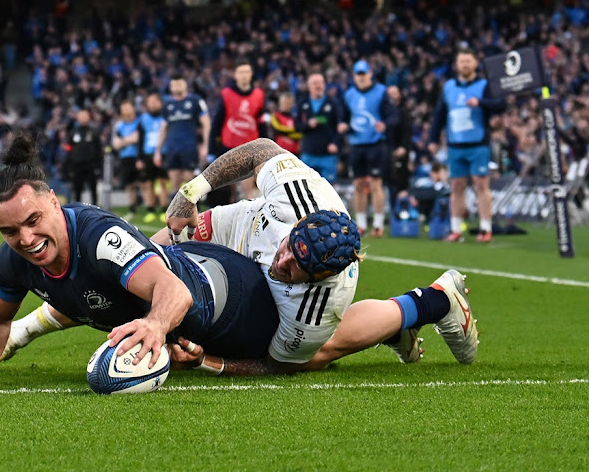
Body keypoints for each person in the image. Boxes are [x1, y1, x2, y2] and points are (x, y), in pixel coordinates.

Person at [0, 133, 280, 385]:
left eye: (33, 221)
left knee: (298, 355)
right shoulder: (13, 259)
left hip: (232, 304)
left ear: (52, 201)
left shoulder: (100, 238)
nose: (26, 239)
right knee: (91, 292)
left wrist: (155, 325)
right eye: (9, 231)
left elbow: (175, 292)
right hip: (187, 300)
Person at [161, 138, 478, 374]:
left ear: (319, 278)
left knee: (316, 354)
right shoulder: (295, 193)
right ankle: (409, 318)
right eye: (289, 250)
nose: (282, 263)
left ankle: (431, 302)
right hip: (248, 224)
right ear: (299, 222)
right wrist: (189, 194)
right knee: (152, 256)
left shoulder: (317, 302)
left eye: (298, 268)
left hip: (296, 310)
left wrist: (210, 363)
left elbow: (275, 364)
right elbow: (260, 150)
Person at [430, 47, 506, 243]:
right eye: (461, 61)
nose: (464, 64)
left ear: (475, 64)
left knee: (481, 185)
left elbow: (501, 104)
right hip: (455, 144)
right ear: (456, 65)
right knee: (456, 186)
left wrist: (480, 103)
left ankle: (485, 228)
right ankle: (456, 229)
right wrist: (432, 139)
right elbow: (439, 114)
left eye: (468, 61)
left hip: (478, 143)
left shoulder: (483, 85)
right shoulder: (448, 87)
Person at [338, 60, 399, 237]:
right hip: (357, 144)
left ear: (370, 74)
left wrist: (385, 124)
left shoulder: (381, 92)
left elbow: (394, 115)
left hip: (376, 143)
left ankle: (378, 224)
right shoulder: (349, 95)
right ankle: (361, 223)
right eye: (358, 74)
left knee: (375, 183)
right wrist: (343, 126)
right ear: (354, 76)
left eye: (364, 74)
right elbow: (344, 117)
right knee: (358, 183)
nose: (362, 77)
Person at [208, 60, 266, 204]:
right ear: (235, 75)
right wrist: (211, 149)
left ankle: (248, 220)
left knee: (248, 189)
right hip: (228, 147)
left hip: (251, 148)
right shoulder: (226, 94)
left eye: (247, 72)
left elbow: (262, 123)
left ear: (251, 74)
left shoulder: (259, 95)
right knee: (228, 190)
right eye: (241, 72)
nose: (244, 75)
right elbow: (216, 123)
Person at [154, 74, 210, 195]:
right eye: (173, 85)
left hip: (189, 147)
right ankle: (176, 211)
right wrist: (158, 150)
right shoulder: (167, 104)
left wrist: (205, 145)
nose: (176, 87)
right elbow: (163, 128)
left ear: (185, 84)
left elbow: (206, 123)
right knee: (174, 180)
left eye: (179, 84)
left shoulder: (195, 101)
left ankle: (191, 210)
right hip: (172, 148)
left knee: (189, 179)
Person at [294, 72, 343, 184]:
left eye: (321, 83)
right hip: (308, 153)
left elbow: (340, 127)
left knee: (329, 188)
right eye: (315, 83)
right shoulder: (302, 103)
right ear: (309, 86)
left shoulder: (333, 103)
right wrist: (307, 124)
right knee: (307, 187)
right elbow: (296, 126)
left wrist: (335, 143)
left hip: (328, 154)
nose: (318, 86)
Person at [137, 93, 168, 223]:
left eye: (155, 101)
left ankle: (163, 210)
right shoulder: (143, 119)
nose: (153, 104)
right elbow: (140, 139)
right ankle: (150, 210)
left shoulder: (165, 118)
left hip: (164, 153)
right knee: (149, 183)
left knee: (163, 183)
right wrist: (139, 158)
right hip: (147, 155)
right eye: (150, 102)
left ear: (160, 103)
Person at [65, 109, 103, 205]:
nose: (83, 118)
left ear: (89, 117)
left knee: (93, 188)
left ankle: (95, 207)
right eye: (81, 116)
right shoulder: (73, 132)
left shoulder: (94, 132)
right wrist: (69, 166)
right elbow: (68, 149)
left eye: (85, 116)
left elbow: (99, 150)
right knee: (77, 188)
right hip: (77, 165)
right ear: (77, 118)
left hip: (91, 165)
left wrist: (99, 166)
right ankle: (78, 208)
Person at [111, 100, 141, 220]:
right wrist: (130, 140)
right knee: (129, 185)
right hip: (125, 157)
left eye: (128, 107)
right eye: (124, 108)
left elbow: (138, 138)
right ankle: (133, 209)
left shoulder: (140, 122)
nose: (127, 110)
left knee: (145, 183)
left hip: (139, 156)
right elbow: (116, 144)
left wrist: (123, 141)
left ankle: (152, 208)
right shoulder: (119, 125)